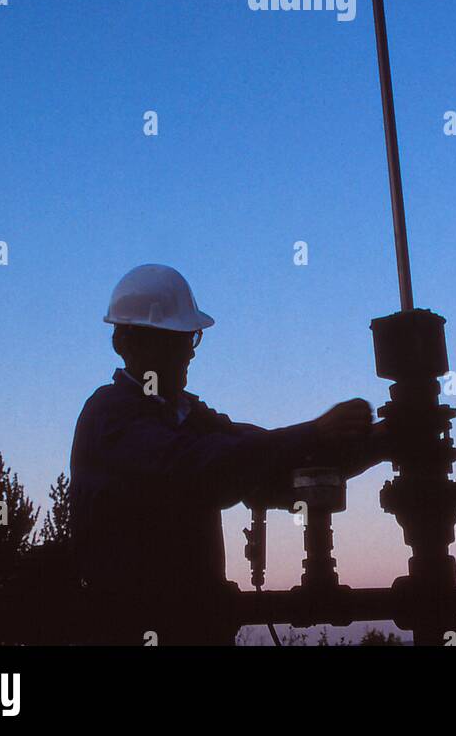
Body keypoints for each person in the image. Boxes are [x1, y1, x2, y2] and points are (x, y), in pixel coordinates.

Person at [70, 264, 385, 645]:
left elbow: (265, 459)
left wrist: (379, 442)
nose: (189, 352)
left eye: (192, 338)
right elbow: (203, 471)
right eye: (177, 339)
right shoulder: (110, 416)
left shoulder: (186, 414)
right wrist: (315, 431)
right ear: (130, 344)